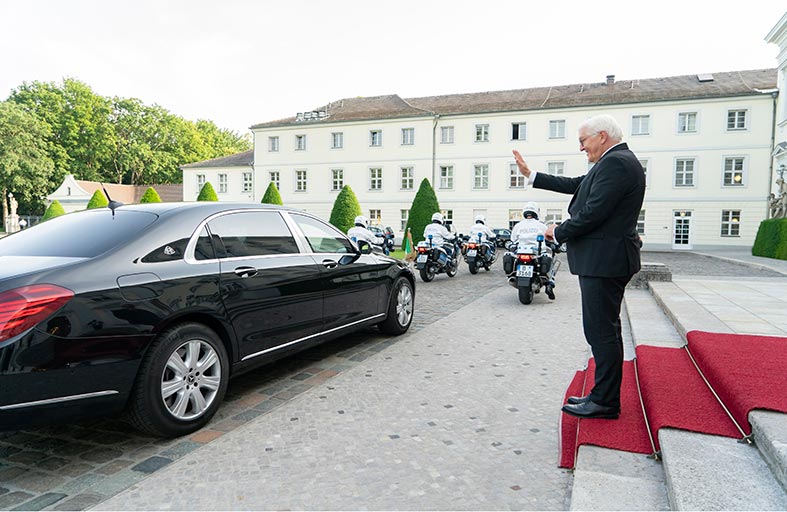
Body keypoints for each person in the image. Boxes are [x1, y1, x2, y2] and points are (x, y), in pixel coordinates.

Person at [512, 114, 646, 420]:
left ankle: (605, 401)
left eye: (583, 141)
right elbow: (576, 185)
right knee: (603, 329)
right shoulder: (614, 161)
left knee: (601, 331)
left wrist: (558, 231)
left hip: (605, 260)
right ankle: (603, 395)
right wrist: (531, 175)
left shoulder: (616, 163)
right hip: (606, 259)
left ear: (602, 136)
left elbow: (594, 212)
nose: (581, 147)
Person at [509, 201, 555, 299]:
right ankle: (550, 283)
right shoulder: (541, 225)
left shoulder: (518, 225)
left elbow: (513, 239)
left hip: (521, 251)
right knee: (550, 260)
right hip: (538, 252)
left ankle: (513, 275)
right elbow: (548, 237)